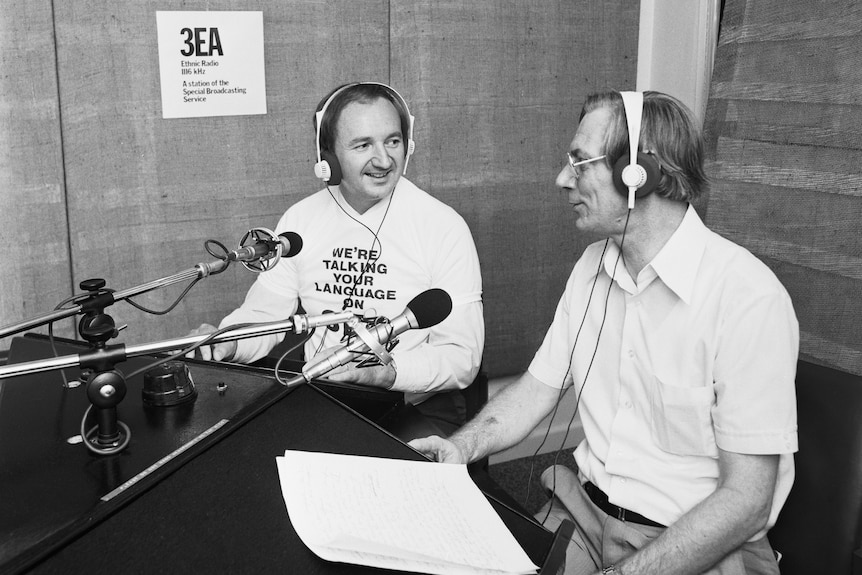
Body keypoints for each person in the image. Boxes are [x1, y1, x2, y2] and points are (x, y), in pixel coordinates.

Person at [409, 90, 798, 575]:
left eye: (579, 163)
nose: (561, 180)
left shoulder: (749, 298)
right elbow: (536, 389)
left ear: (639, 173)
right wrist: (461, 447)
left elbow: (747, 503)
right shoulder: (591, 268)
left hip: (700, 544)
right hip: (587, 513)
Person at [191, 82, 484, 434]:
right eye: (362, 145)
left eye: (393, 141)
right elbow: (264, 316)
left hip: (412, 403)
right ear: (326, 157)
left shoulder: (443, 227)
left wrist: (388, 373)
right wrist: (230, 342)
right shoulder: (300, 221)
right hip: (323, 395)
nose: (384, 159)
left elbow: (461, 357)